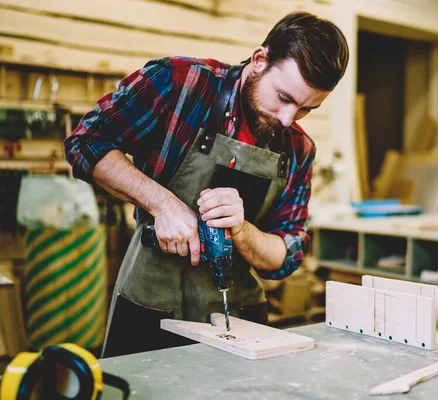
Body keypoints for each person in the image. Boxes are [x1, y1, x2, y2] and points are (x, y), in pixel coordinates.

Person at [63, 11, 349, 358]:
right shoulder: (180, 83)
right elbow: (87, 142)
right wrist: (162, 205)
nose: (288, 119)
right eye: (285, 98)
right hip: (150, 303)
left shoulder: (298, 149)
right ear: (259, 60)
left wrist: (242, 230)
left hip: (238, 316)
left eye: (307, 109)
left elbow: (285, 255)